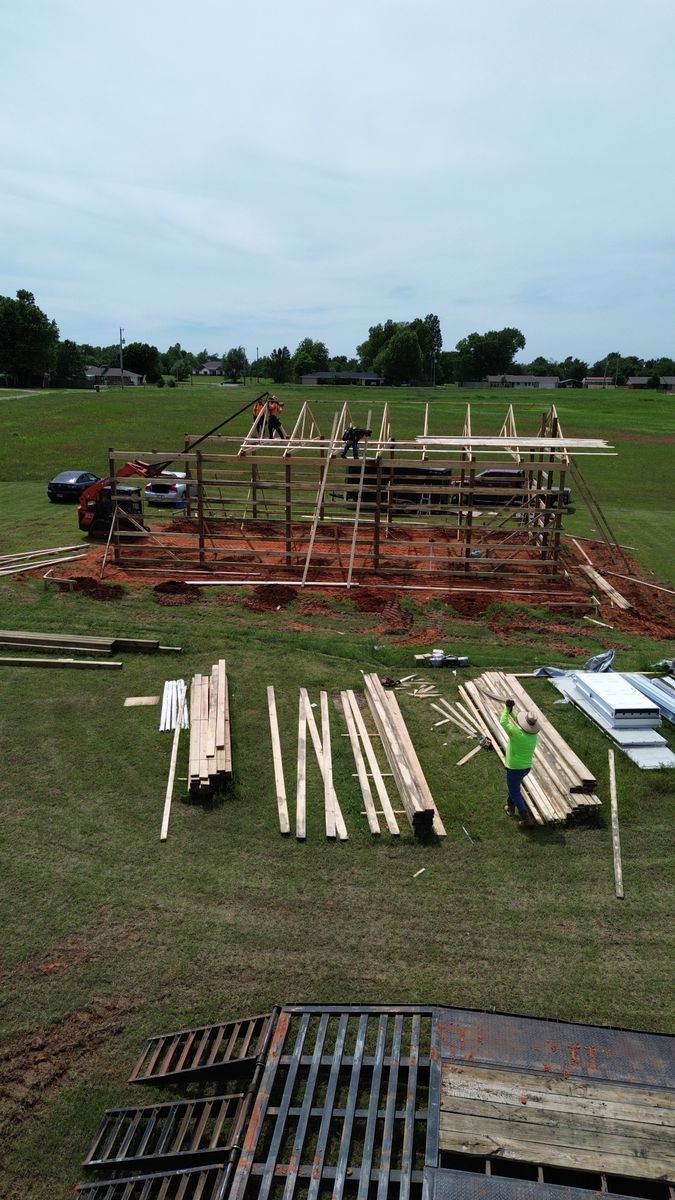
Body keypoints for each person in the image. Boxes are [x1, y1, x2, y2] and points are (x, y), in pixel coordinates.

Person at [499, 700, 540, 828]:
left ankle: (526, 819)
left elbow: (503, 722)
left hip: (514, 768)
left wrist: (506, 709)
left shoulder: (516, 734)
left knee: (515, 791)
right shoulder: (533, 736)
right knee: (514, 787)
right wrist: (511, 708)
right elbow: (519, 722)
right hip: (525, 768)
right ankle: (510, 808)